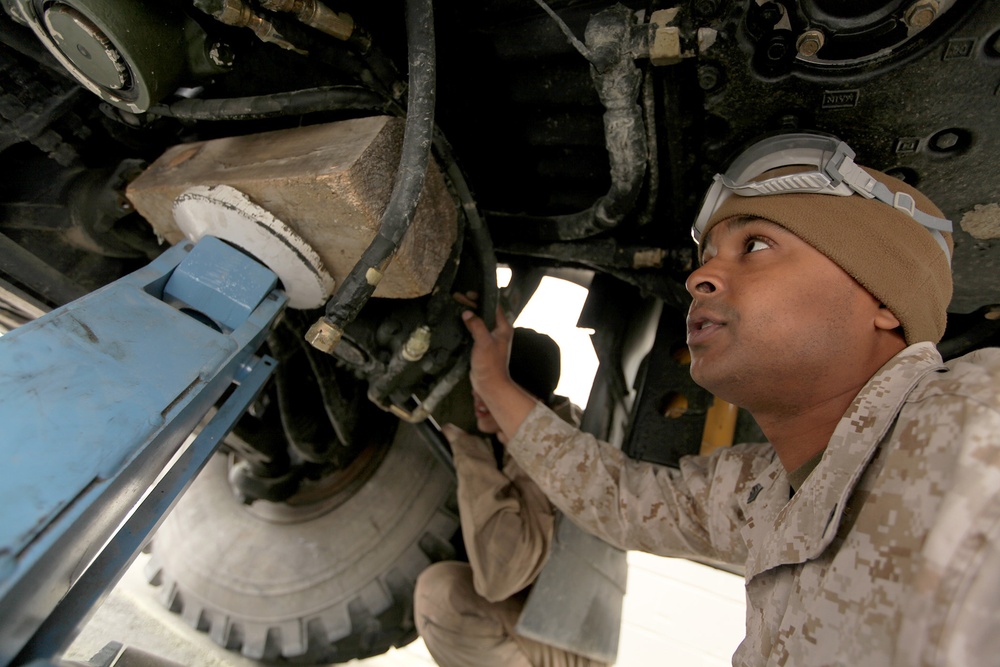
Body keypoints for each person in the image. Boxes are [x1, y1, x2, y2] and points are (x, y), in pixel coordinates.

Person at [457, 132, 1000, 666]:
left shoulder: (975, 420)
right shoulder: (761, 492)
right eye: (708, 255)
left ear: (883, 297)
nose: (699, 277)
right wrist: (494, 385)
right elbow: (619, 500)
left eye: (755, 245)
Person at [414, 327, 603, 667]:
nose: (477, 394)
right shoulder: (536, 423)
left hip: (565, 645)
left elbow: (499, 577)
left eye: (496, 385)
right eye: (478, 378)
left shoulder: (556, 453)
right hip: (535, 620)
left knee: (440, 597)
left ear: (531, 400)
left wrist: (467, 447)